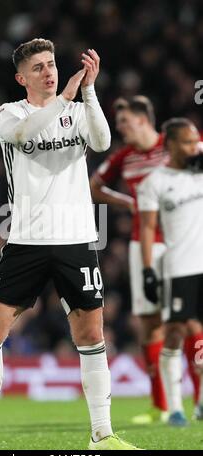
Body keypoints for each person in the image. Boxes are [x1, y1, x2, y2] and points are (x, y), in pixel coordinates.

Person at [0, 38, 139, 450]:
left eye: (52, 64)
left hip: (76, 237)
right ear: (21, 78)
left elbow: (100, 142)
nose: (49, 71)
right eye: (39, 67)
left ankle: (103, 435)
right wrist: (63, 98)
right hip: (26, 240)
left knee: (91, 335)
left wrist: (90, 91)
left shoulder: (77, 111)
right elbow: (26, 135)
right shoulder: (10, 113)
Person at [90, 96, 169, 424]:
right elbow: (94, 187)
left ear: (142, 119)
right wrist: (127, 203)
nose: (119, 129)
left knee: (190, 319)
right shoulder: (125, 157)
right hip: (144, 244)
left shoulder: (177, 145)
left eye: (123, 123)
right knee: (149, 323)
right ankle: (160, 406)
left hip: (188, 241)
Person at [138, 118, 203, 426]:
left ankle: (201, 401)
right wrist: (148, 269)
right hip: (179, 268)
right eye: (188, 142)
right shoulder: (155, 182)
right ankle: (175, 408)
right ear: (172, 145)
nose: (194, 146)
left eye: (196, 141)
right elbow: (148, 227)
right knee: (175, 334)